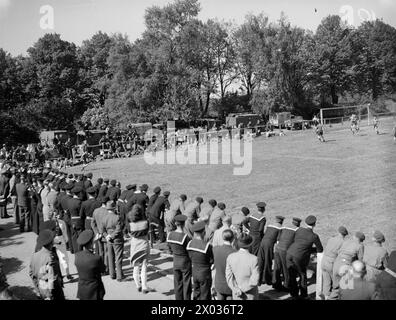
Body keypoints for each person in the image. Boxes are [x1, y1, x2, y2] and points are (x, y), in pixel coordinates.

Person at [286, 215, 323, 299]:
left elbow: (297, 241)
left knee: (292, 276)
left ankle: (294, 294)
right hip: (299, 257)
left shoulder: (299, 230)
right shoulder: (314, 236)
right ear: (314, 224)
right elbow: (320, 249)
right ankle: (304, 295)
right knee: (302, 275)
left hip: (289, 253)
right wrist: (310, 249)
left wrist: (308, 249)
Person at [29, 230, 65, 300]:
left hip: (41, 289)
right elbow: (53, 279)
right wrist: (50, 295)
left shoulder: (34, 255)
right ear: (51, 242)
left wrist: (38, 288)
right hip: (53, 293)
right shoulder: (50, 258)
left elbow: (31, 274)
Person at [331, 231, 365, 299]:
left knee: (335, 290)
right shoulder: (360, 246)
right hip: (345, 268)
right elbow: (360, 260)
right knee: (347, 292)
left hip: (336, 264)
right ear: (361, 240)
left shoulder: (346, 241)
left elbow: (338, 251)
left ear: (354, 237)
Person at [225, 234, 260, 300]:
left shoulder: (230, 257)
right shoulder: (254, 259)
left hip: (237, 295)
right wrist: (242, 289)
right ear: (250, 245)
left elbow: (229, 277)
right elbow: (254, 280)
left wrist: (236, 289)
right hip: (251, 295)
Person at [272, 217, 302, 291]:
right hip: (285, 250)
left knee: (277, 267)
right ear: (298, 224)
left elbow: (278, 238)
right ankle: (286, 285)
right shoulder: (297, 230)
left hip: (278, 248)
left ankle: (276, 284)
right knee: (286, 268)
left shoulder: (285, 227)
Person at [74, 230, 106, 300]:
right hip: (95, 291)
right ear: (91, 242)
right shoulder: (96, 258)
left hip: (82, 290)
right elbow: (103, 269)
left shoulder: (77, 256)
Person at [167, 215, 192, 300]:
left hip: (175, 261)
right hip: (185, 262)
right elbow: (189, 251)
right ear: (184, 224)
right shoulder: (185, 237)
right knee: (187, 284)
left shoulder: (170, 235)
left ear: (175, 223)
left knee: (177, 284)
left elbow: (169, 248)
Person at [187, 220, 214, 300]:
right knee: (205, 295)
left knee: (196, 293)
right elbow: (212, 260)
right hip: (205, 273)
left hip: (194, 272)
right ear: (203, 232)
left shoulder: (190, 244)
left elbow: (190, 256)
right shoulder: (207, 246)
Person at [128, 204, 151, 293]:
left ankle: (138, 285)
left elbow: (129, 233)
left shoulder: (131, 224)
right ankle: (144, 286)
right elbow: (147, 231)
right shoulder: (146, 222)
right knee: (144, 266)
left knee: (136, 266)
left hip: (134, 245)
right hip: (144, 244)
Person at [321, 226, 349, 300]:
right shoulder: (343, 242)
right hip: (331, 262)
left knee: (326, 281)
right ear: (345, 235)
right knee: (335, 283)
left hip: (324, 260)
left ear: (339, 232)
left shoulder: (331, 238)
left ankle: (325, 296)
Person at [257, 215, 284, 286]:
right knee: (267, 262)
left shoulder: (269, 225)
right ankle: (267, 279)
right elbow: (278, 240)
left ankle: (258, 280)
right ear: (282, 221)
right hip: (269, 245)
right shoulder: (280, 228)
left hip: (262, 243)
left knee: (260, 261)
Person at [102, 200, 124, 281]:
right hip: (117, 239)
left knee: (110, 257)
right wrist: (111, 236)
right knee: (118, 258)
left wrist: (107, 236)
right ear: (114, 208)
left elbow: (102, 230)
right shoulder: (117, 217)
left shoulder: (104, 218)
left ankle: (112, 274)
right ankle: (119, 276)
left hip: (108, 239)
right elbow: (118, 229)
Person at [213, 229, 236, 300]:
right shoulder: (234, 253)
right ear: (233, 239)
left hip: (218, 283)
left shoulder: (215, 249)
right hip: (230, 285)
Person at [91, 196, 110, 274]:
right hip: (106, 234)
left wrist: (97, 232)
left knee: (100, 252)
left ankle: (101, 268)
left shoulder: (96, 211)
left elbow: (92, 223)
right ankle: (106, 269)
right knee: (106, 252)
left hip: (99, 234)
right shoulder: (108, 211)